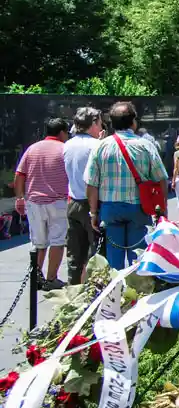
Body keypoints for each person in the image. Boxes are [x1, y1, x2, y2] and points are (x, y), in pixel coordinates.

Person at [85, 102, 169, 269]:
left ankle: (115, 290)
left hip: (110, 208)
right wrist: (162, 210)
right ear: (133, 122)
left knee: (113, 258)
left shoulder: (100, 146)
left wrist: (93, 212)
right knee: (138, 257)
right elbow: (161, 179)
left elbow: (91, 184)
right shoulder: (145, 146)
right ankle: (136, 291)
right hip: (138, 207)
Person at [15, 118, 70, 289]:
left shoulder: (33, 148)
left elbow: (19, 175)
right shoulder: (64, 149)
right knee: (57, 241)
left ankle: (36, 277)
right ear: (62, 132)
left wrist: (19, 198)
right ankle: (51, 279)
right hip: (58, 201)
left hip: (34, 202)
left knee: (39, 242)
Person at [64, 107, 103, 284]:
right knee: (98, 253)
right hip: (93, 204)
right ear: (93, 123)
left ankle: (73, 290)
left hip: (73, 202)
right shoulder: (96, 146)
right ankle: (95, 292)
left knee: (74, 253)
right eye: (100, 122)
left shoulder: (67, 145)